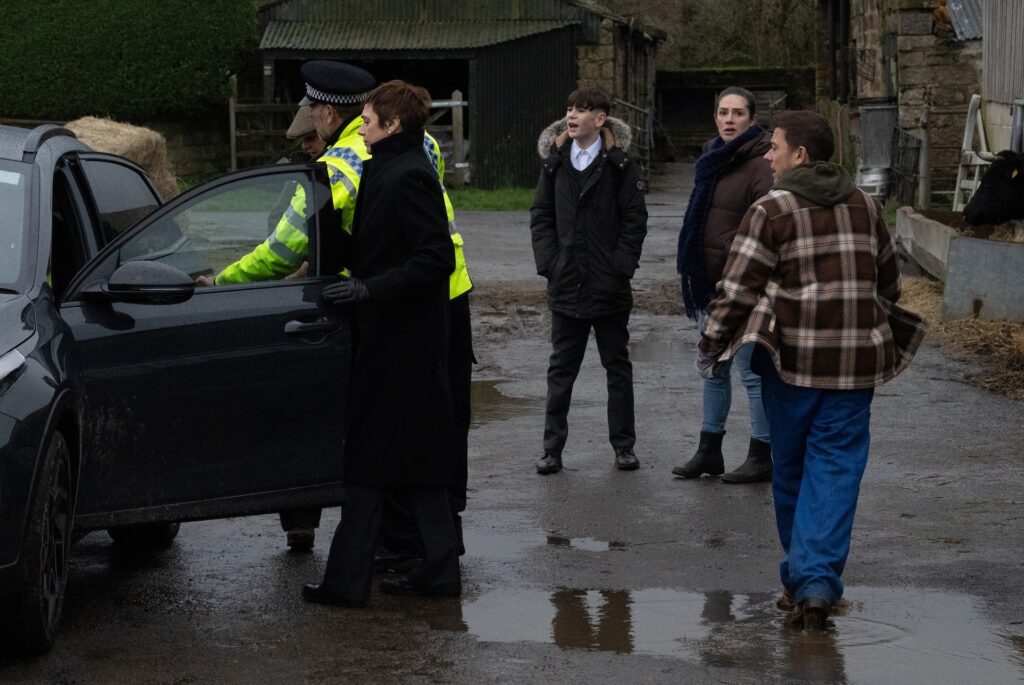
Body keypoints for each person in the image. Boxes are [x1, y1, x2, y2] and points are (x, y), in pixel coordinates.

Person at [199, 62, 474, 559]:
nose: (310, 134)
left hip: (392, 302)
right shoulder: (421, 141)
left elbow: (283, 249)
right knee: (442, 421)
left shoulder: (341, 162)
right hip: (447, 297)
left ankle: (401, 544)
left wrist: (222, 283)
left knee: (384, 426)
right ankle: (442, 535)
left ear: (327, 114)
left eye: (312, 120)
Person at [697, 110, 926, 629]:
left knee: (793, 468)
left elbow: (737, 290)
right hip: (855, 365)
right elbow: (890, 283)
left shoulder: (770, 209)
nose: (767, 155)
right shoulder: (866, 205)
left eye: (774, 146)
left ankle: (804, 580)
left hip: (791, 362)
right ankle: (817, 582)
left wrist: (711, 343)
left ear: (800, 155)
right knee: (837, 468)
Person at [303, 80, 461, 606]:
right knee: (416, 461)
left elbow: (434, 257)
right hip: (395, 340)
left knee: (369, 463)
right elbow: (373, 245)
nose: (362, 129)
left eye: (368, 121)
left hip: (403, 343)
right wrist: (322, 213)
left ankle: (347, 583)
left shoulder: (410, 173)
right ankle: (439, 570)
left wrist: (370, 289)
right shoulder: (384, 167)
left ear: (393, 125)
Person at [530, 86, 647, 475]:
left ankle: (624, 447)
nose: (571, 115)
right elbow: (541, 216)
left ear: (600, 119)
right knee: (561, 370)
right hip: (566, 283)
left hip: (609, 285)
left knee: (617, 367)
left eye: (581, 110)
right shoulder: (554, 163)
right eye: (569, 108)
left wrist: (620, 267)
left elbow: (635, 220)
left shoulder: (621, 165)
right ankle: (551, 450)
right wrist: (549, 264)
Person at [672, 87, 774, 483]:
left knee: (750, 372)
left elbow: (765, 226)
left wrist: (734, 252)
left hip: (744, 285)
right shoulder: (712, 158)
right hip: (708, 283)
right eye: (723, 112)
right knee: (713, 367)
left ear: (752, 119)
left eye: (738, 113)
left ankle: (761, 454)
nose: (729, 120)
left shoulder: (761, 164)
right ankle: (709, 451)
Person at [274, 105, 327, 552]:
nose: (307, 147)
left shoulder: (349, 167)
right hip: (303, 307)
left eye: (311, 138)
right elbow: (277, 243)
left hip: (339, 304)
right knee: (302, 418)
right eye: (302, 141)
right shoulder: (293, 178)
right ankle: (300, 519)